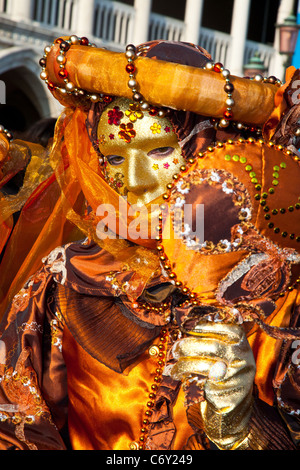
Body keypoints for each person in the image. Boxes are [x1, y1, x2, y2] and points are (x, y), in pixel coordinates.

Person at [0, 37, 299, 451]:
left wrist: (241, 426)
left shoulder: (278, 293)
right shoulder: (64, 280)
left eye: (159, 150)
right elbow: (17, 427)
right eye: (116, 158)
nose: (136, 182)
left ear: (205, 148)